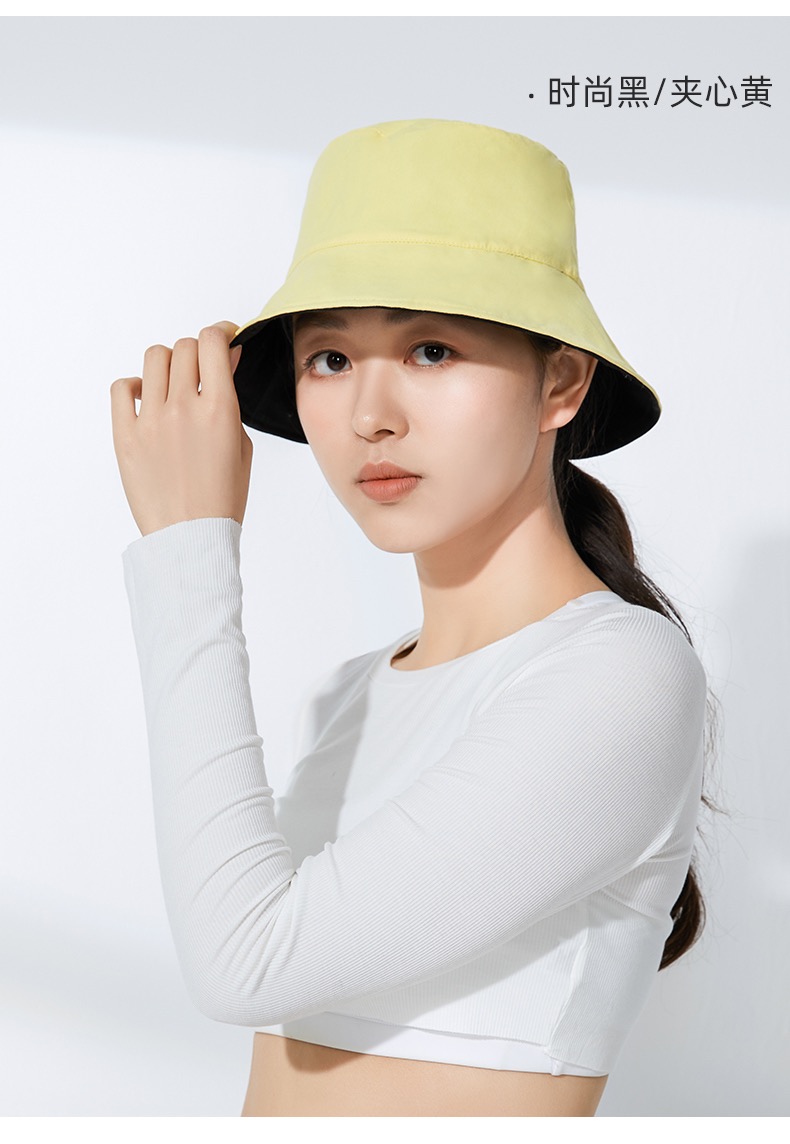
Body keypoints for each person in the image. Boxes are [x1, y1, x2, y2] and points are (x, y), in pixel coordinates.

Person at [111, 119, 712, 1117]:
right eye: (329, 358)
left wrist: (188, 546)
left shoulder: (623, 675)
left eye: (431, 349)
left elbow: (243, 966)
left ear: (561, 381)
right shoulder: (348, 697)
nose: (369, 415)